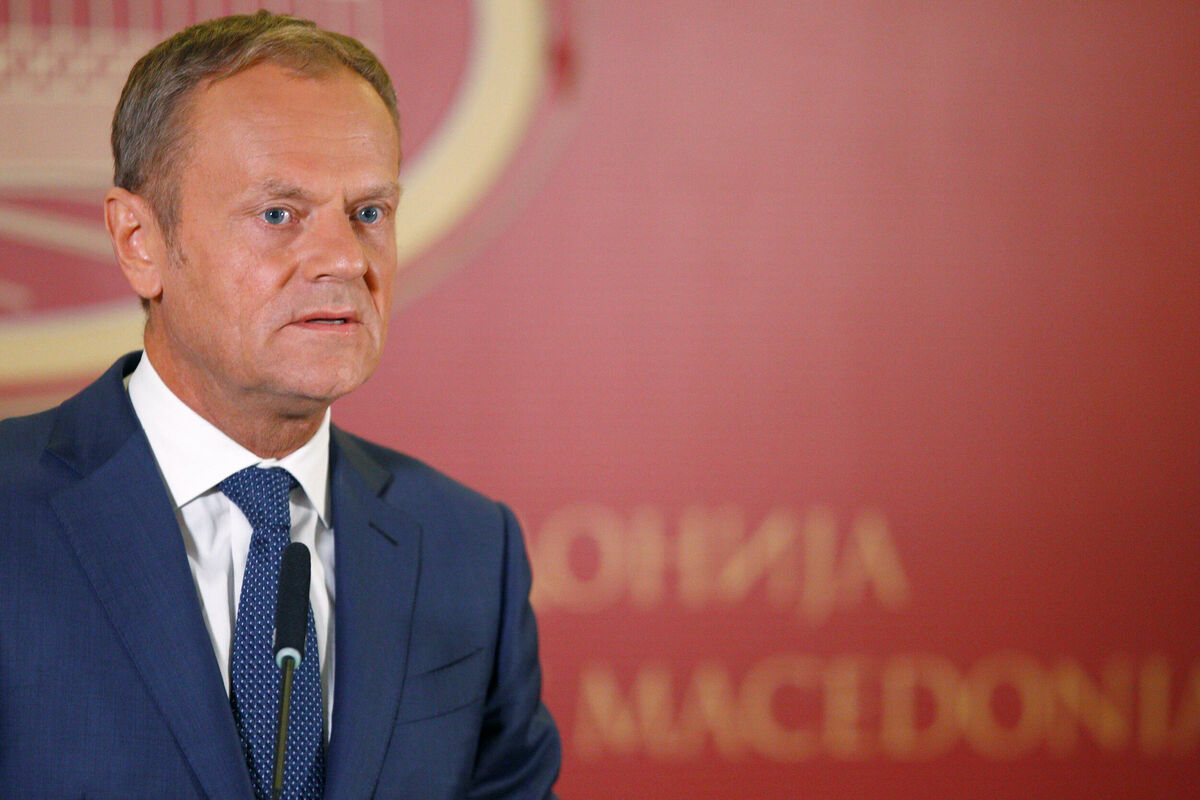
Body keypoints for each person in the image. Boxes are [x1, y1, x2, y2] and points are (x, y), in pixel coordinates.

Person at [0, 11, 560, 800]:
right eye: (278, 215)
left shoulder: (467, 548)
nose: (344, 260)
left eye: (369, 213)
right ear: (139, 241)